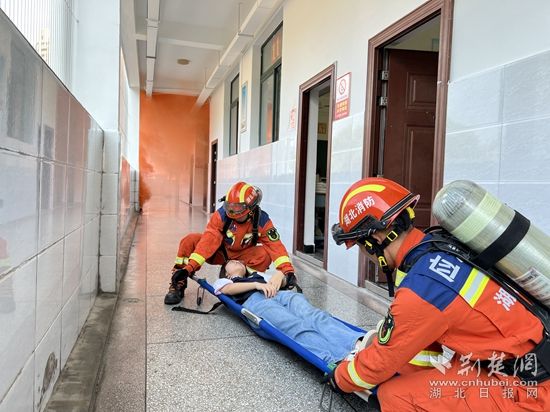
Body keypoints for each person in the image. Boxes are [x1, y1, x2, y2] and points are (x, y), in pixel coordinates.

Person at [328, 177, 550, 410]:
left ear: (375, 240)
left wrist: (339, 378)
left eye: (361, 247)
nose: (366, 256)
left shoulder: (422, 288)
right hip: (512, 363)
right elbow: (417, 340)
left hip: (529, 391)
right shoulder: (437, 246)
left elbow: (379, 363)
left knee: (394, 396)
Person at [213, 259, 370, 365]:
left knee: (315, 315)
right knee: (295, 325)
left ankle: (357, 343)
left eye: (239, 260)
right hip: (256, 302)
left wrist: (281, 274)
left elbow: (282, 280)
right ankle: (341, 358)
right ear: (226, 273)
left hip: (280, 295)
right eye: (232, 262)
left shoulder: (257, 275)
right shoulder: (225, 281)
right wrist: (256, 285)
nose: (237, 261)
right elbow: (228, 290)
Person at [165, 181, 296, 304]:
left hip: (243, 257)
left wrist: (287, 271)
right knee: (190, 240)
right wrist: (189, 268)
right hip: (220, 252)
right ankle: (178, 282)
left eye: (238, 207)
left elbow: (275, 246)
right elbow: (208, 242)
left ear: (250, 209)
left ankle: (246, 283)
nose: (232, 210)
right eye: (229, 205)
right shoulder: (221, 216)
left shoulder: (262, 220)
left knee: (265, 253)